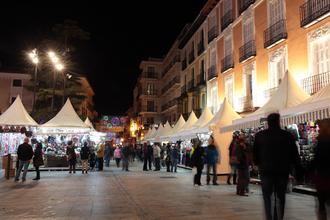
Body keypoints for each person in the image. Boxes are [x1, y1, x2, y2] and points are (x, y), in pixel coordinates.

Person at [254, 113, 301, 220]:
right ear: (279, 121)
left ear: (268, 122)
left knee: (267, 198)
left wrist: (258, 164)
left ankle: (269, 217)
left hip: (266, 171)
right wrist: (298, 170)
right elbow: (294, 155)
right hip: (282, 171)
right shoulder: (287, 135)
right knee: (280, 197)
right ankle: (279, 217)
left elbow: (255, 155)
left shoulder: (260, 135)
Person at [312, 119, 330, 220]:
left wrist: (308, 170)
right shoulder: (323, 140)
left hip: (322, 175)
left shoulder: (322, 141)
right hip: (324, 174)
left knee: (322, 204)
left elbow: (317, 159)